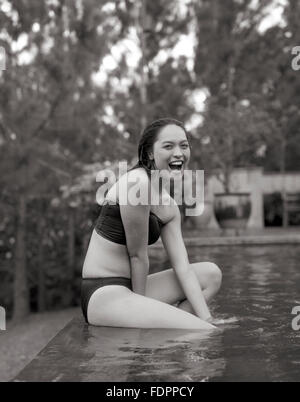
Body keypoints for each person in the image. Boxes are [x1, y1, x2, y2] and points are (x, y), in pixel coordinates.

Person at [81, 118, 222, 330]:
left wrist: (207, 318)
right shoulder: (137, 184)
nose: (178, 153)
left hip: (130, 288)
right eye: (168, 146)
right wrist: (142, 307)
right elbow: (137, 256)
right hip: (103, 292)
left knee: (211, 275)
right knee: (205, 334)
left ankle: (167, 338)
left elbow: (182, 267)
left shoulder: (169, 207)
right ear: (149, 153)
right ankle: (158, 335)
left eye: (184, 146)